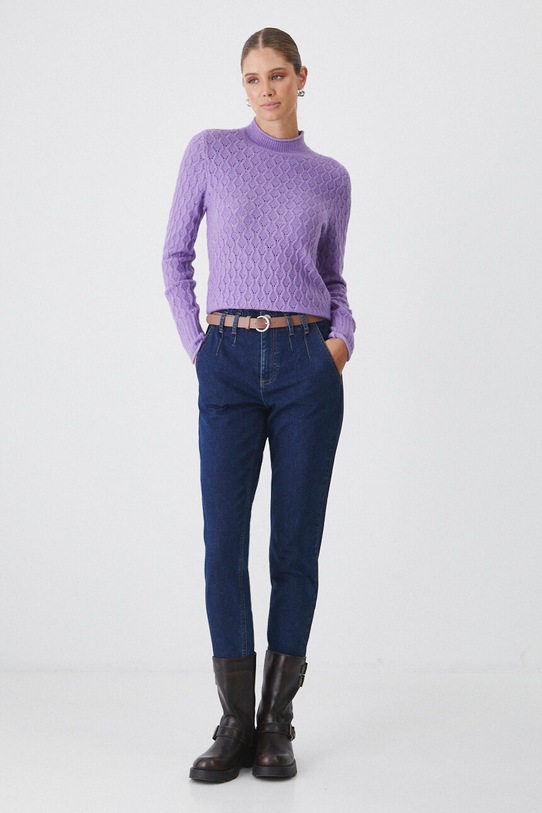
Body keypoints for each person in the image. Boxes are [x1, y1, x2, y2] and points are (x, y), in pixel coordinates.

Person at [161, 27, 355, 783]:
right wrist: (201, 347)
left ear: (302, 77)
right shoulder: (211, 151)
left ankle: (277, 721)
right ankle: (234, 720)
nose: (266, 90)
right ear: (241, 86)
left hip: (308, 363)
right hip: (229, 362)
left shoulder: (330, 177)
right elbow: (175, 256)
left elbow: (333, 278)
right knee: (222, 544)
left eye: (277, 75)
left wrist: (340, 340)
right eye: (252, 78)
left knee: (294, 548)